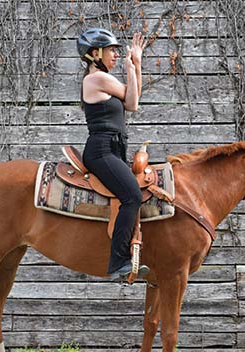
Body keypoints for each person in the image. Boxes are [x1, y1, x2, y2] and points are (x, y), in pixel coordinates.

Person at [77, 28, 150, 280]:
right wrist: (132, 68)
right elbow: (133, 98)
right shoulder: (96, 79)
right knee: (132, 196)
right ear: (94, 54)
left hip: (113, 149)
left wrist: (136, 64)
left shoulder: (103, 80)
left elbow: (133, 103)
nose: (116, 55)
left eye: (117, 50)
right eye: (111, 50)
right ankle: (118, 260)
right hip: (102, 150)